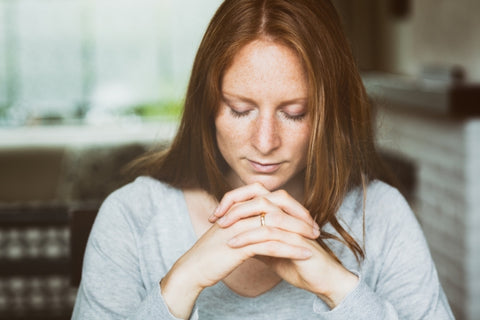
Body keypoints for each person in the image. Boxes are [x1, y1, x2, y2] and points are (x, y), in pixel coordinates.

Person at [72, 0, 454, 319]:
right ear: (207, 107)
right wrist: (181, 283)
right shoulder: (131, 218)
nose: (265, 141)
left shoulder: (382, 215)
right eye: (240, 110)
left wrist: (337, 285)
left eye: (295, 112)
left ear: (329, 114)